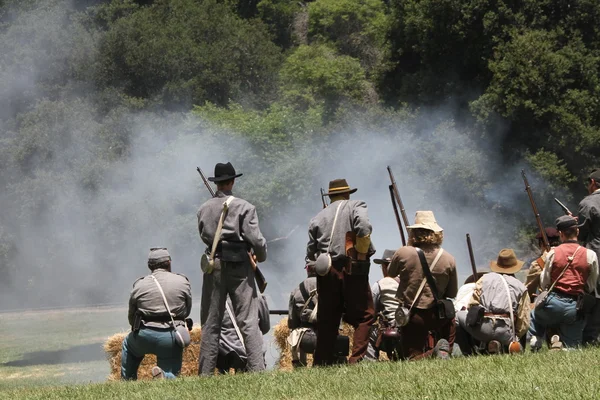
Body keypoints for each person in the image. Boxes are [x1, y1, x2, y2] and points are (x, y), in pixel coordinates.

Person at [197, 162, 268, 375]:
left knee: (211, 323)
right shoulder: (245, 207)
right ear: (233, 181)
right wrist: (260, 257)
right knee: (247, 321)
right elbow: (256, 240)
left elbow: (204, 237)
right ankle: (257, 371)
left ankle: (205, 374)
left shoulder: (203, 209)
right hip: (240, 266)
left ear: (217, 183)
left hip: (215, 264)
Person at [306, 178, 375, 365]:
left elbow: (310, 255)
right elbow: (364, 228)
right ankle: (356, 360)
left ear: (331, 196)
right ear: (347, 194)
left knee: (327, 320)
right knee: (365, 315)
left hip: (326, 271)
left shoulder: (318, 217)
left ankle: (321, 363)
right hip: (351, 267)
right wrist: (361, 252)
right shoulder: (356, 205)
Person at [389, 211, 458, 360]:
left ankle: (434, 352)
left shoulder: (403, 252)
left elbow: (390, 272)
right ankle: (445, 350)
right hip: (438, 315)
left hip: (412, 315)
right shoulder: (449, 258)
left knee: (412, 358)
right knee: (450, 319)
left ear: (413, 232)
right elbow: (452, 293)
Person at [529, 215, 599, 350]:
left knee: (534, 314)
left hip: (552, 303)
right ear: (577, 231)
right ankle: (566, 347)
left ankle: (536, 340)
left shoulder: (552, 253)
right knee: (573, 347)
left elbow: (544, 282)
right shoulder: (590, 254)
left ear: (560, 234)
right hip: (575, 307)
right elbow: (592, 284)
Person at [121, 248, 192, 380]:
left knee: (128, 345)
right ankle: (165, 376)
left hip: (144, 335)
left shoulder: (139, 284)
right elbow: (187, 311)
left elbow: (132, 316)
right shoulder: (182, 281)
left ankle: (128, 380)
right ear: (169, 263)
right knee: (171, 366)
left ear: (149, 266)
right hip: (171, 336)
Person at [457, 249, 530, 354]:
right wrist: (515, 336)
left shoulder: (483, 279)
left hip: (483, 329)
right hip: (507, 331)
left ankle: (470, 352)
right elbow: (524, 319)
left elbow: (472, 306)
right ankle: (509, 344)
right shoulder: (520, 286)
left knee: (458, 316)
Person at [217, 294, 270, 374]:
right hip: (253, 352)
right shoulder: (257, 297)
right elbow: (265, 327)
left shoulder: (217, 300)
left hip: (227, 353)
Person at [365, 249, 401, 361]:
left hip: (391, 331)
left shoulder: (381, 284)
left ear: (386, 267)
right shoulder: (409, 282)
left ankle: (369, 363)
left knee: (367, 331)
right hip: (409, 330)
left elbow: (370, 311)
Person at [578, 168, 600, 345]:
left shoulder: (588, 202)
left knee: (595, 296)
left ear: (593, 183)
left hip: (597, 255)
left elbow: (582, 234)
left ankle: (591, 337)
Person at [287, 263, 318, 367]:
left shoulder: (296, 290)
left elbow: (292, 321)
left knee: (297, 334)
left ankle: (299, 367)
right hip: (323, 337)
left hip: (303, 338)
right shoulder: (328, 287)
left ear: (307, 270)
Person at [524, 228, 561, 300]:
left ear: (541, 243)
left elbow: (529, 289)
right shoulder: (567, 255)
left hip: (549, 302)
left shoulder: (539, 262)